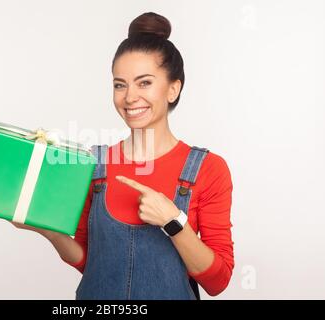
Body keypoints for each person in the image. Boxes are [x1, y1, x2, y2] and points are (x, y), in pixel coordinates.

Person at [13, 12, 234, 300]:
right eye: (120, 84)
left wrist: (173, 222)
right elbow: (91, 263)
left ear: (173, 89)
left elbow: (218, 282)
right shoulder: (93, 163)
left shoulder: (208, 169)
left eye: (144, 83)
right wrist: (47, 229)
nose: (129, 97)